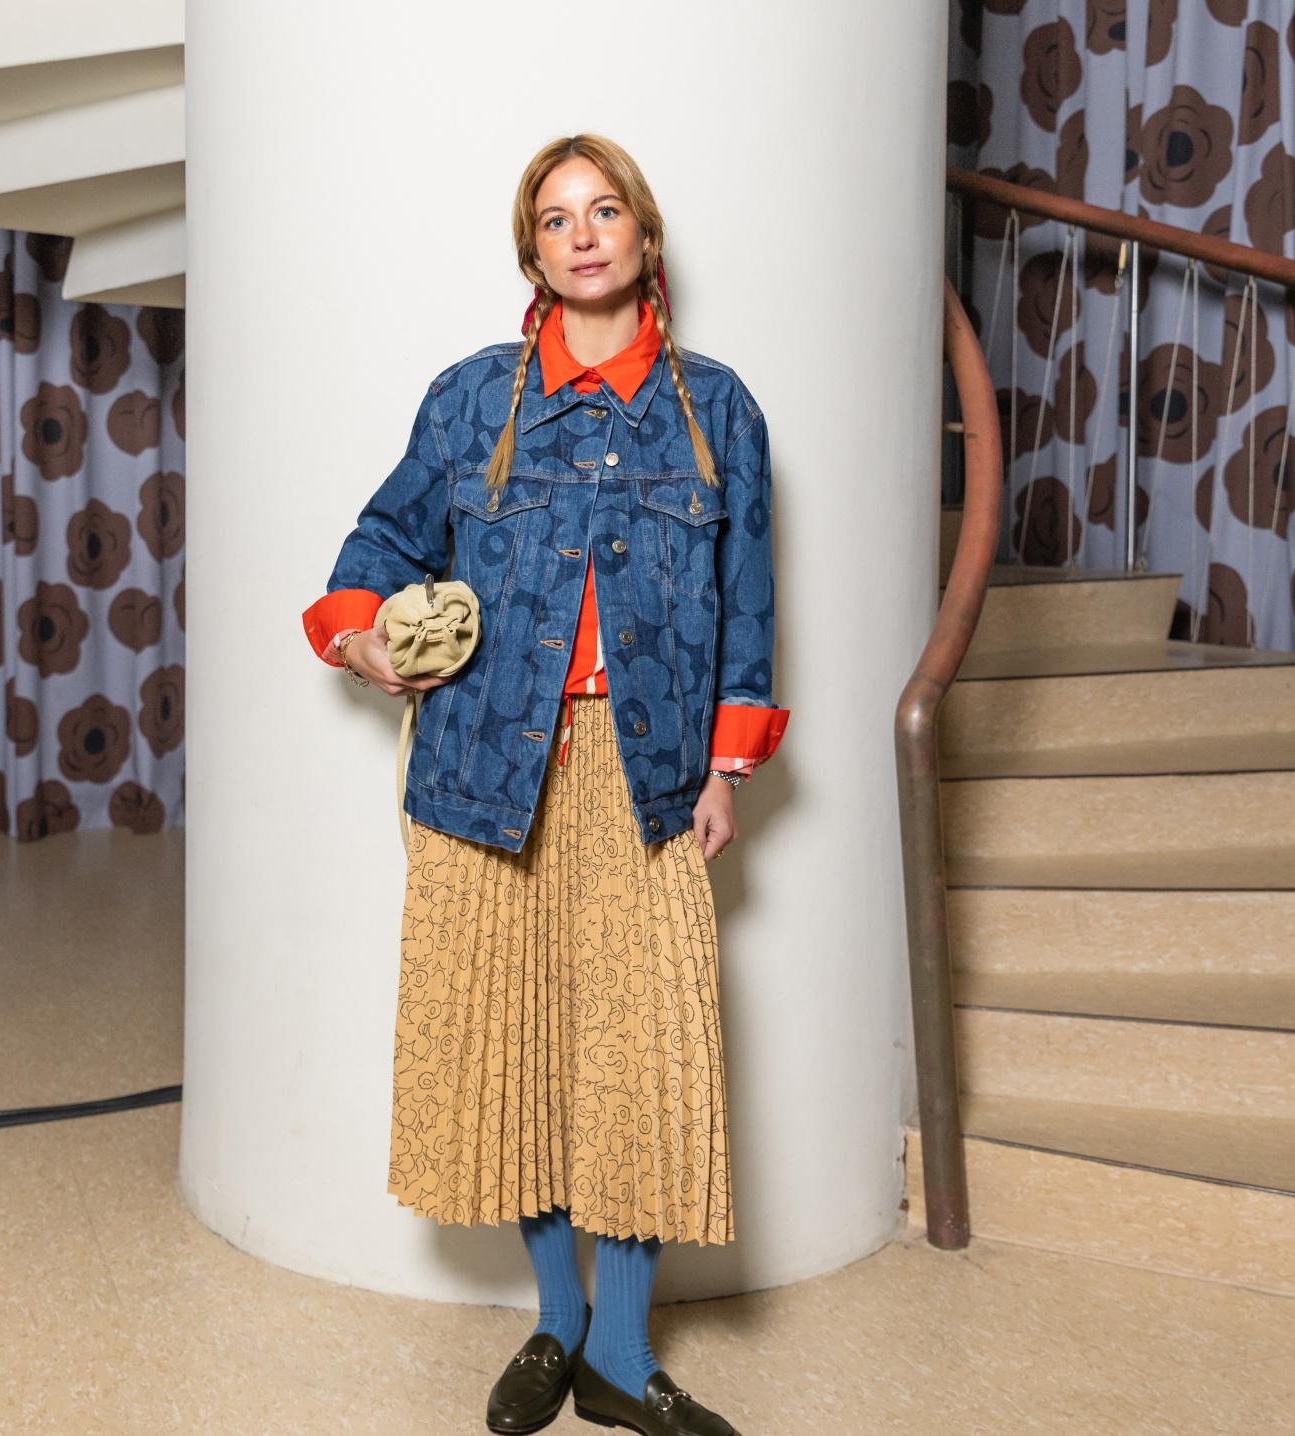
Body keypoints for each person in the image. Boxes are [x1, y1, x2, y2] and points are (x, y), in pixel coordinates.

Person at [302, 133, 788, 1436]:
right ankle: (557, 1323)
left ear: (644, 236)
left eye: (604, 211)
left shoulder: (718, 409)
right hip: (482, 773)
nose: (582, 235)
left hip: (647, 777)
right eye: (556, 218)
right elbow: (379, 540)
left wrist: (727, 768)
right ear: (532, 252)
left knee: (640, 1063)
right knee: (516, 1055)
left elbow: (749, 605)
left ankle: (622, 1354)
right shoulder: (471, 400)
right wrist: (361, 635)